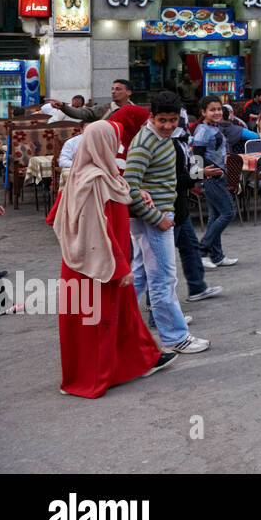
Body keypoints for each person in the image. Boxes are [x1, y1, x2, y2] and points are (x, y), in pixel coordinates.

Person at [47, 120, 172, 397]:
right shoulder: (94, 181)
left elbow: (55, 216)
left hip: (85, 262)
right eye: (115, 140)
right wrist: (121, 266)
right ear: (103, 143)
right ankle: (88, 381)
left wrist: (137, 193)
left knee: (114, 321)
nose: (119, 145)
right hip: (97, 266)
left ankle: (133, 364)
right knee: (95, 327)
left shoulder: (94, 175)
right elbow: (97, 230)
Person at [124, 91, 209, 355]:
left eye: (173, 120)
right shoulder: (144, 143)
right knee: (162, 280)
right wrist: (157, 218)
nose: (169, 125)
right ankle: (175, 337)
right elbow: (129, 186)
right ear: (152, 116)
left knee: (139, 276)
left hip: (160, 216)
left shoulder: (163, 137)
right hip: (155, 219)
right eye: (163, 120)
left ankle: (114, 323)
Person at [170, 131, 225, 303]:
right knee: (161, 263)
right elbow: (175, 179)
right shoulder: (169, 144)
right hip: (169, 208)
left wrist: (201, 172)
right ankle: (155, 310)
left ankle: (197, 288)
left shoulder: (181, 141)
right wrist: (202, 174)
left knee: (190, 247)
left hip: (180, 207)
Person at [192, 95, 239, 270]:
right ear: (203, 112)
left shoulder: (214, 127)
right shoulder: (203, 130)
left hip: (219, 176)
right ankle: (202, 251)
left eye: (219, 109)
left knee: (215, 216)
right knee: (228, 213)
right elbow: (197, 155)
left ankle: (217, 256)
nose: (217, 112)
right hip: (211, 178)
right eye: (212, 109)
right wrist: (207, 173)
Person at [55, 79, 132, 122]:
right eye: (112, 89)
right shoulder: (104, 108)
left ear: (128, 92)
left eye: (118, 89)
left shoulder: (136, 111)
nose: (113, 92)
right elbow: (81, 112)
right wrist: (63, 106)